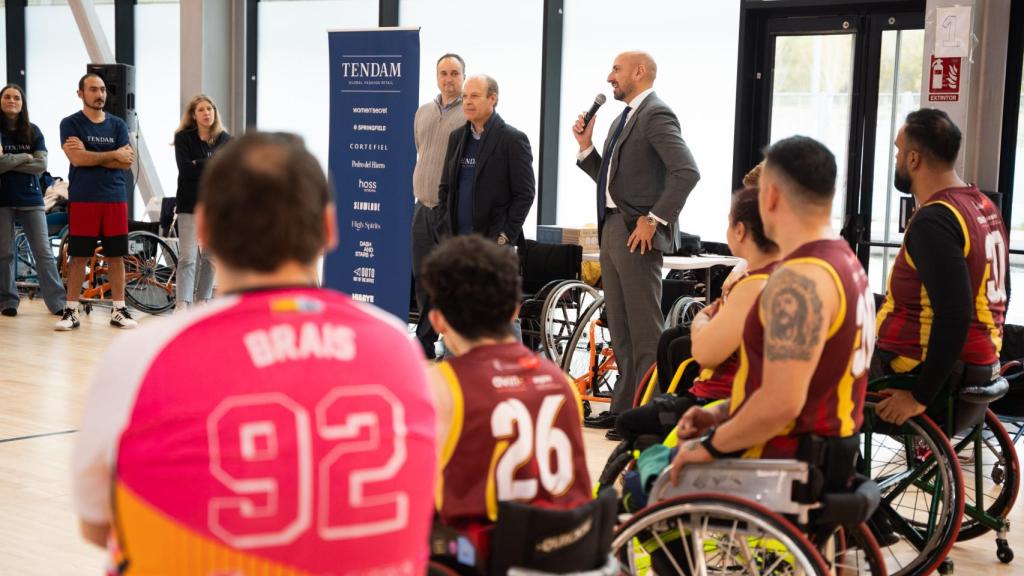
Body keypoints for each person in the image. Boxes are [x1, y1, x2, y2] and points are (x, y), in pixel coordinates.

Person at [72, 132, 437, 574]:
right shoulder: (398, 344)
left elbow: (96, 525)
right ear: (329, 227)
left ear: (203, 228)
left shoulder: (143, 355)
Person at [668, 135, 874, 482]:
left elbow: (781, 404)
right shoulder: (845, 263)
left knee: (639, 483)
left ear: (772, 195)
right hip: (833, 445)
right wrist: (721, 413)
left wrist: (711, 446)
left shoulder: (798, 281)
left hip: (783, 457)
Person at [422, 234, 591, 561]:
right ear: (515, 310)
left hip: (484, 558)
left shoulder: (440, 385)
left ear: (437, 320)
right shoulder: (563, 383)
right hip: (566, 555)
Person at [572, 51, 701, 431]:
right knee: (621, 329)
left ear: (639, 72)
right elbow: (612, 184)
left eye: (616, 69)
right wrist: (586, 148)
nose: (609, 76)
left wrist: (654, 219)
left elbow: (687, 172)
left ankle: (648, 416)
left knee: (645, 331)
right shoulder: (622, 118)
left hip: (637, 234)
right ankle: (623, 408)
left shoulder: (655, 114)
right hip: (613, 228)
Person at [613, 187, 779, 444]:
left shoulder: (752, 285)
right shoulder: (781, 276)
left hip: (716, 401)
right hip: (733, 398)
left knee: (630, 423)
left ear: (740, 231)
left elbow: (705, 353)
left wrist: (703, 318)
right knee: (671, 340)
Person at [874, 109, 1008, 425]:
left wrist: (920, 396)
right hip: (981, 364)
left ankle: (844, 474)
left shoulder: (935, 219)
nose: (895, 159)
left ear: (914, 159)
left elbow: (955, 314)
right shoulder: (982, 205)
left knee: (814, 373)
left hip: (921, 371)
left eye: (898, 151)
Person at [56, 73, 136, 330]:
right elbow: (77, 159)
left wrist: (90, 153)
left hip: (114, 198)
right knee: (78, 257)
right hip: (83, 199)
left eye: (102, 89)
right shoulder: (70, 123)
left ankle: (119, 310)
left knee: (116, 257)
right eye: (93, 89)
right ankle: (70, 311)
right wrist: (111, 154)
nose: (100, 94)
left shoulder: (118, 125)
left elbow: (126, 162)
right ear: (80, 93)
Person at [436, 75, 535, 246]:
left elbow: (525, 194)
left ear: (492, 99)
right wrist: (445, 229)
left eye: (474, 96)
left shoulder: (513, 139)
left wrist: (505, 235)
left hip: (492, 246)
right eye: (465, 96)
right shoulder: (456, 137)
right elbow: (445, 188)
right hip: (456, 243)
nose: (467, 102)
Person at [412, 53, 465, 358]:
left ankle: (449, 341)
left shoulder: (468, 114)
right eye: (443, 73)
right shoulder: (422, 113)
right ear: (436, 77)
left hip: (449, 211)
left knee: (448, 279)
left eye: (454, 73)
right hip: (421, 208)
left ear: (463, 76)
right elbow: (421, 150)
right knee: (422, 276)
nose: (448, 79)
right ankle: (425, 339)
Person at [0, 83, 65, 317]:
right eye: (7, 97)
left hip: (31, 199)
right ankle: (8, 301)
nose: (12, 101)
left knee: (43, 252)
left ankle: (57, 302)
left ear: (22, 103)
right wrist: (24, 157)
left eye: (16, 97)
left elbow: (42, 165)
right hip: (2, 199)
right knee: (5, 253)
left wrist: (9, 160)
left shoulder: (33, 131)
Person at [173, 94, 231, 311]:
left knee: (211, 257)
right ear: (193, 115)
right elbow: (186, 170)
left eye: (209, 109)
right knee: (187, 256)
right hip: (189, 203)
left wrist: (200, 162)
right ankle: (182, 304)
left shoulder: (226, 140)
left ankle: (202, 302)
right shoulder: (183, 138)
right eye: (201, 110)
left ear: (215, 112)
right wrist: (212, 163)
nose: (206, 113)